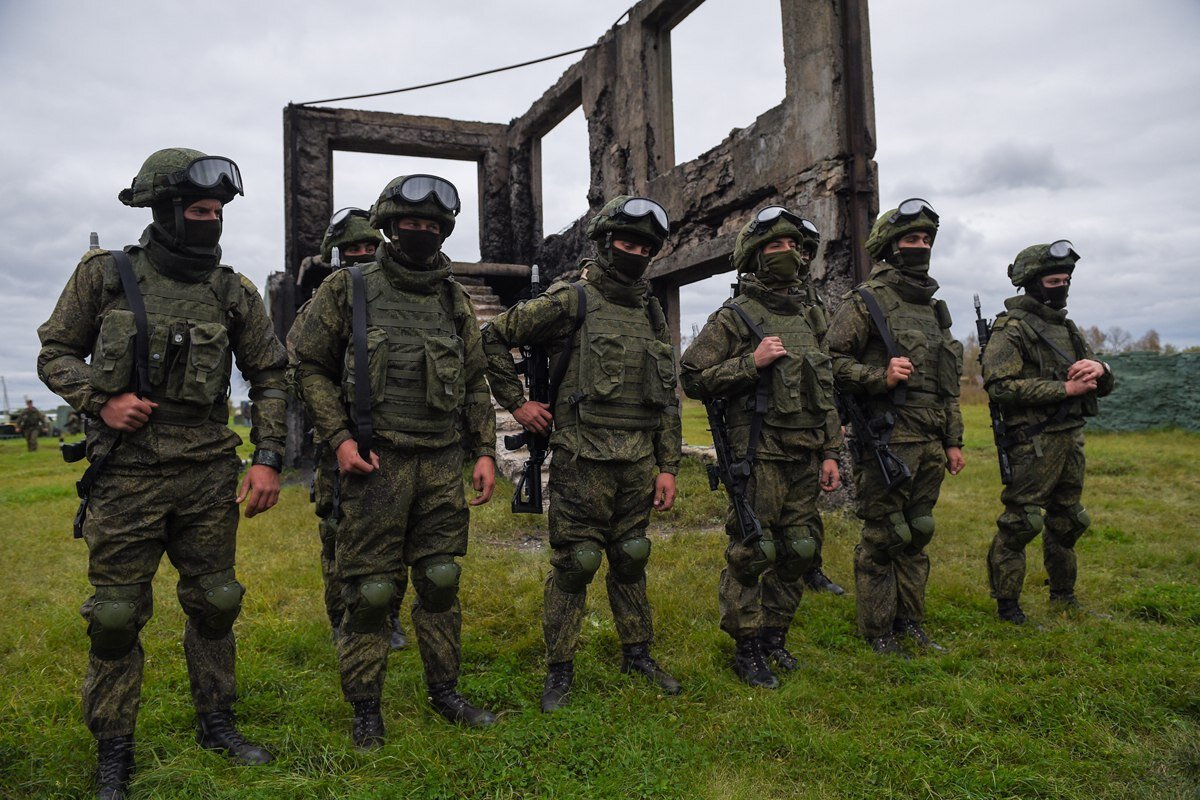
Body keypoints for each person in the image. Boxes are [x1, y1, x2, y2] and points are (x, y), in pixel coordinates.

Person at [37, 148, 287, 799]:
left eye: (219, 212)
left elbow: (270, 375)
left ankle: (217, 723)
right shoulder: (107, 275)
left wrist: (266, 458)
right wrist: (101, 397)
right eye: (201, 211)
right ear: (167, 210)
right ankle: (114, 749)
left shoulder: (234, 290)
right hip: (126, 476)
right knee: (117, 615)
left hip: (207, 473)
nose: (213, 222)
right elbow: (55, 352)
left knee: (215, 602)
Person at [292, 174, 498, 745]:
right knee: (371, 593)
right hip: (372, 462)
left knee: (439, 579)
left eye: (433, 225)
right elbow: (306, 366)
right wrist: (337, 438)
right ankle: (366, 709)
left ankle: (445, 692)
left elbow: (475, 379)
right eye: (412, 223)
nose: (423, 232)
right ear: (388, 225)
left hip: (439, 462)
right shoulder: (349, 288)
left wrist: (484, 450)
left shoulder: (451, 296)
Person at [482, 196, 683, 712]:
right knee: (577, 562)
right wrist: (519, 404)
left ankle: (637, 652)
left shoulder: (649, 309)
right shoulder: (571, 300)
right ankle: (560, 669)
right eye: (627, 241)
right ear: (604, 242)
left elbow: (664, 394)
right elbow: (493, 338)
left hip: (638, 461)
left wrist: (668, 466)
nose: (635, 251)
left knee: (632, 557)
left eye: (645, 245)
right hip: (581, 457)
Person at [680, 206, 842, 688]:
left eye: (794, 246)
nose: (787, 253)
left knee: (799, 549)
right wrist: (750, 363)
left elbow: (825, 389)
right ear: (753, 256)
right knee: (755, 551)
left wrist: (831, 451)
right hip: (759, 455)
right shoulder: (734, 317)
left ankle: (775, 637)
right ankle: (747, 647)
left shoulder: (812, 315)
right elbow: (691, 376)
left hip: (806, 452)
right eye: (775, 246)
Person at [826, 198, 965, 656]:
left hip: (929, 440)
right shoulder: (866, 301)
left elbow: (947, 385)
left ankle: (911, 622)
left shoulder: (934, 309)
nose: (921, 246)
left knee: (918, 530)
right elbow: (830, 362)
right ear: (889, 247)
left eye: (926, 239)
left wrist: (953, 440)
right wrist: (877, 377)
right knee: (885, 537)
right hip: (887, 439)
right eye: (911, 239)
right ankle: (878, 631)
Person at [286, 208, 407, 650]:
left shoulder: (399, 301)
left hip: (395, 438)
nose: (360, 255)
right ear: (336, 255)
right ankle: (342, 620)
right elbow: (300, 369)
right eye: (351, 249)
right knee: (339, 535)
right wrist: (337, 427)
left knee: (395, 535)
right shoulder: (322, 304)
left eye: (368, 247)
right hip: (339, 442)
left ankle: (390, 616)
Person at [982, 241, 1114, 623]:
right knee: (1022, 522)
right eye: (1054, 280)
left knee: (1068, 519)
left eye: (1066, 279)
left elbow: (1095, 380)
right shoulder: (1012, 329)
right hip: (1033, 442)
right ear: (1032, 282)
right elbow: (1000, 387)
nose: (1062, 286)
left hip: (1071, 437)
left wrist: (1101, 370)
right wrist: (1063, 389)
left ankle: (1063, 596)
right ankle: (1008, 606)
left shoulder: (1067, 328)